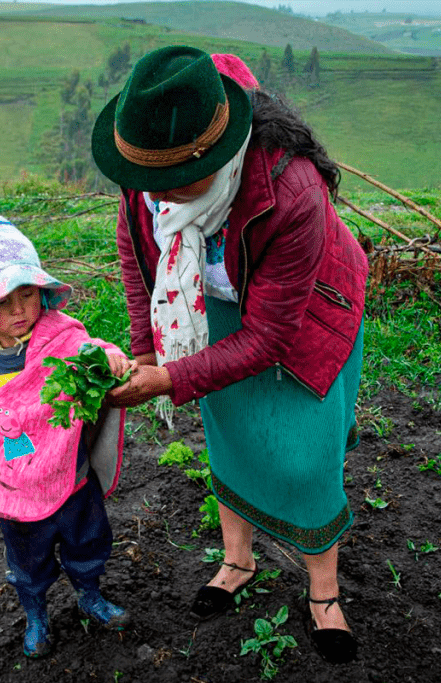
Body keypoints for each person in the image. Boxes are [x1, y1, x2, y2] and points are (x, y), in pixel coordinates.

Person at [90, 47, 368, 665]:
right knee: (231, 433)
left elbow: (271, 336)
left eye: (167, 183)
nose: (151, 196)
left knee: (308, 455)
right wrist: (147, 349)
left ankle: (324, 593)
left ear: (213, 156)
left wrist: (169, 378)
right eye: (142, 179)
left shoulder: (291, 188)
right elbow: (140, 265)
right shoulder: (148, 170)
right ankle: (238, 561)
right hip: (213, 307)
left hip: (307, 311)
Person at [0, 215, 135, 658]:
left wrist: (112, 358)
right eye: (3, 303)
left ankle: (88, 594)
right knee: (28, 563)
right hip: (16, 492)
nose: (19, 310)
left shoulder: (58, 334)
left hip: (73, 476)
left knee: (88, 541)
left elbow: (92, 351)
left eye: (27, 294)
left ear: (41, 292)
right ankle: (36, 612)